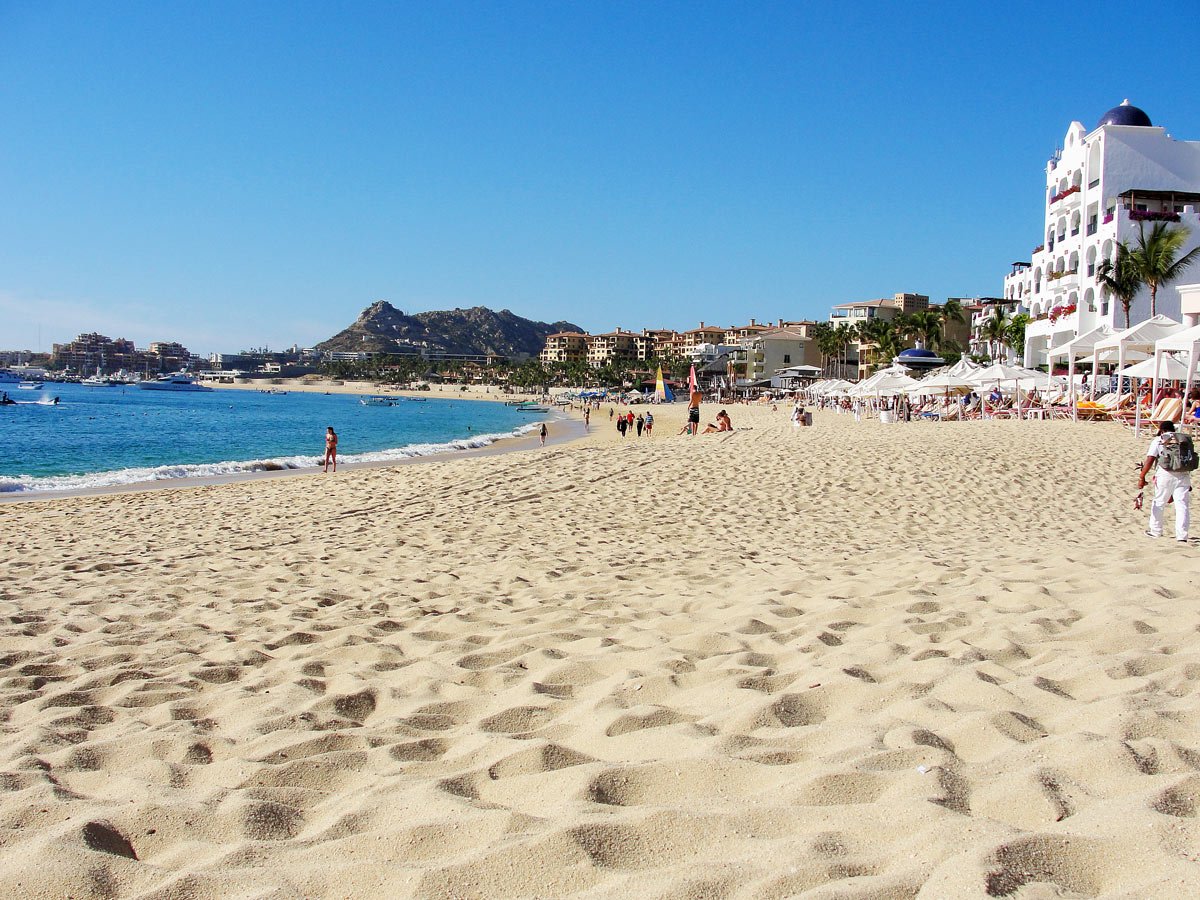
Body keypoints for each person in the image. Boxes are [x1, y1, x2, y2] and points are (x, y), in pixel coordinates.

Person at [1139, 420, 1192, 542]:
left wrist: (1142, 476)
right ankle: (1182, 535)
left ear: (1161, 430)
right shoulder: (1183, 439)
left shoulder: (1159, 440)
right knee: (1182, 505)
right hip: (1183, 474)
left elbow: (1150, 459)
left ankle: (1156, 531)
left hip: (1165, 474)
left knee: (1159, 501)